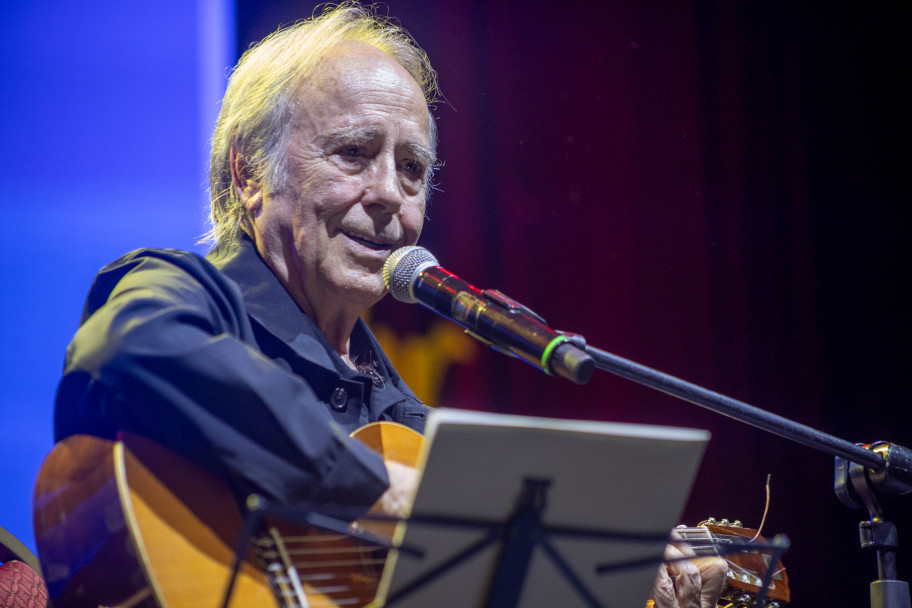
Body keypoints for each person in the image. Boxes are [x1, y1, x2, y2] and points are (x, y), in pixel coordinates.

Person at [54, 4, 726, 606]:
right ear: (249, 172)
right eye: (354, 152)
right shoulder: (183, 293)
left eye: (411, 169)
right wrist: (371, 491)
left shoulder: (403, 420)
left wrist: (606, 570)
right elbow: (132, 345)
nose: (391, 195)